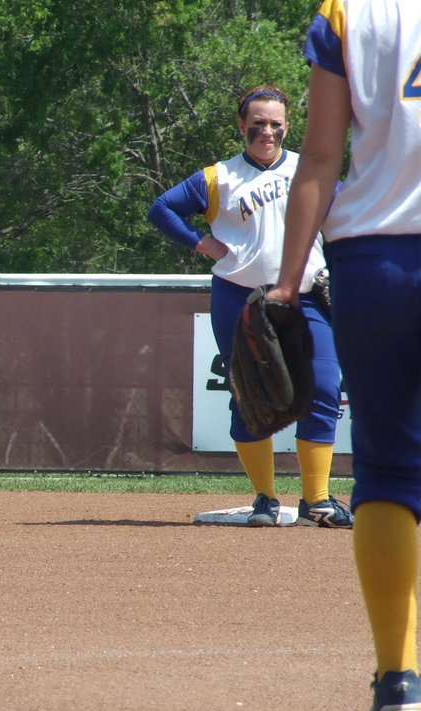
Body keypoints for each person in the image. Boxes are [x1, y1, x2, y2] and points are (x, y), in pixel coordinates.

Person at [266, 0, 421, 711]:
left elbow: (322, 156)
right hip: (375, 256)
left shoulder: (350, 13)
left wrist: (288, 278)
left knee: (388, 471)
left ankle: (398, 678)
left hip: (374, 260)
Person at [148, 85, 351, 528]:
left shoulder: (309, 169)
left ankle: (316, 499)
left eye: (275, 124)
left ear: (287, 126)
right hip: (242, 296)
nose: (267, 131)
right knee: (249, 396)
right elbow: (161, 208)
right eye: (257, 123)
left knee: (322, 387)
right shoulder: (219, 177)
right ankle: (265, 498)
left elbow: (348, 219)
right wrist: (203, 244)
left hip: (306, 293)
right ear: (241, 127)